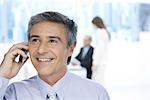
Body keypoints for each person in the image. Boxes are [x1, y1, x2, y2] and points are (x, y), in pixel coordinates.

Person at [0, 11, 110, 100]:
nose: (41, 50)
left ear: (71, 48)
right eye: (35, 40)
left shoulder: (96, 94)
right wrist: (3, 74)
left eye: (52, 41)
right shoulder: (14, 93)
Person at [91, 16, 110, 86]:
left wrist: (95, 63)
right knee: (100, 80)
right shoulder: (105, 32)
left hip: (99, 62)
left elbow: (99, 49)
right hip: (102, 61)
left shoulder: (99, 32)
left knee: (97, 81)